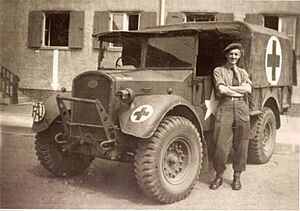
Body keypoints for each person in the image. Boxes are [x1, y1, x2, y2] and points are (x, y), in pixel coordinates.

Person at [209, 43, 252, 191]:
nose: (233, 57)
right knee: (221, 143)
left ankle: (237, 177)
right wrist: (239, 90)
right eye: (231, 54)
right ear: (226, 55)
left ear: (239, 56)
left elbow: (248, 89)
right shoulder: (218, 71)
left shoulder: (243, 72)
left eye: (236, 54)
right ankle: (219, 175)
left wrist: (230, 89)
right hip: (225, 106)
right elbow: (221, 89)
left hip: (241, 107)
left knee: (241, 142)